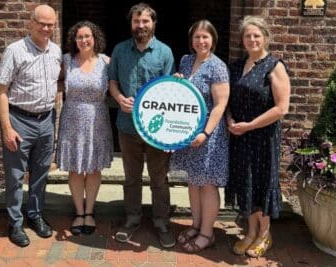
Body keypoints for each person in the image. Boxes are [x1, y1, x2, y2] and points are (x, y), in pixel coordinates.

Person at [108, 3, 176, 248]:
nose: (141, 26)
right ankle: (132, 218)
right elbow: (112, 81)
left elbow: (170, 91)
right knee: (131, 178)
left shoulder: (165, 53)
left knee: (159, 179)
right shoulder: (119, 50)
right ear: (131, 24)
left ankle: (161, 222)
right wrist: (118, 98)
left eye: (145, 21)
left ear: (153, 23)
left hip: (156, 130)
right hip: (127, 126)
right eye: (137, 22)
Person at [0, 4, 62, 247]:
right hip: (19, 120)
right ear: (30, 23)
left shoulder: (55, 51)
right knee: (15, 176)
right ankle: (15, 222)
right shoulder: (16, 51)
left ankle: (35, 216)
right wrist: (7, 128)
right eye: (41, 23)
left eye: (50, 24)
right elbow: (1, 90)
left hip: (46, 120)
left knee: (40, 173)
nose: (46, 28)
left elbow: (60, 83)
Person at [225, 15, 291, 257]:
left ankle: (265, 234)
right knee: (246, 182)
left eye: (256, 35)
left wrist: (250, 125)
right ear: (242, 40)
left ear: (265, 38)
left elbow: (281, 108)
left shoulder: (274, 66)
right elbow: (227, 100)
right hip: (240, 135)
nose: (251, 39)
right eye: (247, 35)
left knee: (262, 182)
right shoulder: (236, 66)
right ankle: (250, 232)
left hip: (262, 137)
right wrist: (230, 120)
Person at [170, 20, 230, 253]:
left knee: (207, 184)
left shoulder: (217, 66)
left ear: (213, 39)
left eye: (205, 37)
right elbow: (183, 94)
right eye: (197, 37)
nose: (201, 41)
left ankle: (207, 233)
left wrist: (206, 132)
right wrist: (177, 81)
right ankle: (196, 226)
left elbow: (220, 104)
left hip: (208, 135)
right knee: (193, 182)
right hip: (188, 132)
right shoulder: (185, 61)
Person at [56, 20, 113, 236]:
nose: (83, 40)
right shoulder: (67, 61)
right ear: (74, 40)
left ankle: (90, 212)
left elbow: (118, 85)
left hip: (97, 120)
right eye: (79, 37)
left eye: (87, 36)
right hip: (72, 120)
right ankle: (79, 212)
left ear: (95, 38)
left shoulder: (106, 62)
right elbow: (55, 82)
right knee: (75, 167)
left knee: (93, 168)